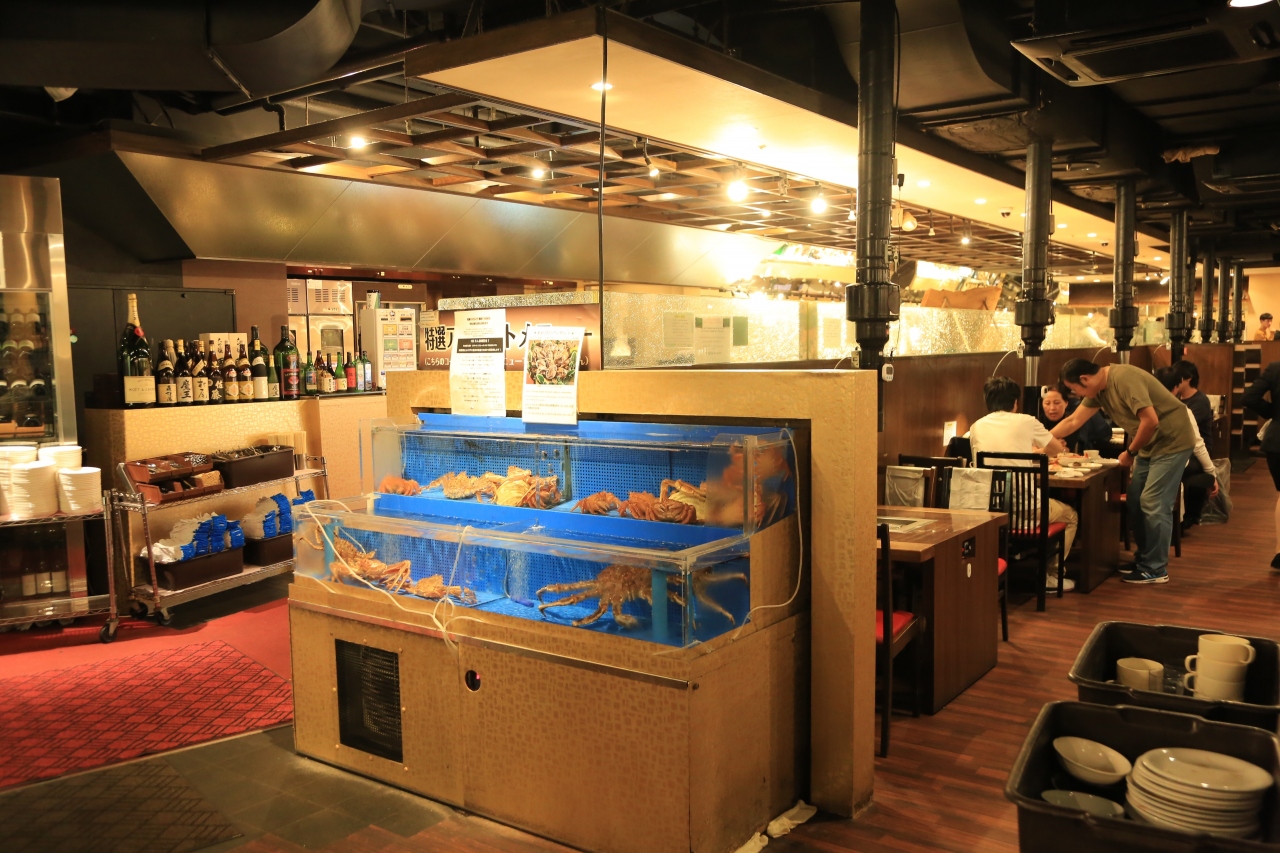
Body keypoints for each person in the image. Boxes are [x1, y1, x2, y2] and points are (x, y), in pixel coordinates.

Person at [1051, 359, 1195, 584]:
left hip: (1172, 440)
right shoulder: (1098, 390)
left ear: (1084, 379)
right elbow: (1073, 420)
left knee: (1153, 502)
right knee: (1135, 500)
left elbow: (1150, 421)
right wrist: (1043, 440)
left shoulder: (1124, 379)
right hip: (1149, 444)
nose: (1075, 394)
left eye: (1073, 389)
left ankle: (1156, 569)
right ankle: (1144, 560)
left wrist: (1130, 452)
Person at [970, 376, 1079, 591]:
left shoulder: (976, 426)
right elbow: (1057, 450)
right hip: (1027, 510)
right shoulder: (1027, 421)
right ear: (1015, 402)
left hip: (991, 511)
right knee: (1071, 515)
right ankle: (1052, 576)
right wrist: (1036, 452)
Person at [1153, 367, 1220, 531]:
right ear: (1176, 388)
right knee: (1197, 471)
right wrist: (1212, 474)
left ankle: (1187, 515)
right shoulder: (1181, 410)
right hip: (1172, 463)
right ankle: (1187, 518)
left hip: (1148, 462)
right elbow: (1198, 444)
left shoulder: (1144, 407)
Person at [1241, 360, 1280, 570]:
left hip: (1276, 441)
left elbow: (1249, 397)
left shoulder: (1276, 368)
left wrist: (1274, 413)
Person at [1037, 383, 1112, 454]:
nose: (1052, 408)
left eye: (1057, 403)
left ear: (1066, 403)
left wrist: (1043, 446)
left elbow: (1068, 451)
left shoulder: (1073, 423)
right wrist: (1052, 446)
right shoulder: (1037, 422)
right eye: (1047, 403)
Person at [1169, 360, 1214, 457]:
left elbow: (1183, 426)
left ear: (1189, 378)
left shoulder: (1200, 400)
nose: (1173, 381)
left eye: (1177, 378)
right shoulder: (1177, 397)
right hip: (1181, 446)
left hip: (1198, 451)